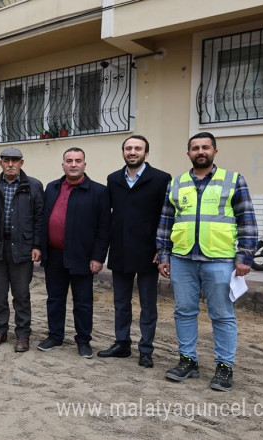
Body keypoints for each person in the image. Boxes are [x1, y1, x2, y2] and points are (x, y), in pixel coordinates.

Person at [157, 132, 258, 392]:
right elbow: (166, 222)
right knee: (183, 311)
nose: (200, 151)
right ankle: (188, 361)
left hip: (220, 260)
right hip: (182, 259)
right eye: (195, 148)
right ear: (188, 153)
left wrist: (245, 256)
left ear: (215, 150)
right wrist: (164, 254)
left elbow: (246, 219)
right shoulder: (177, 183)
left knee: (222, 315)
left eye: (205, 147)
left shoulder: (233, 180)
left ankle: (224, 367)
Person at [99, 135, 171, 368]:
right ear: (123, 153)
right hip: (120, 250)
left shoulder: (161, 179)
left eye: (137, 148)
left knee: (148, 304)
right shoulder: (113, 179)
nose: (132, 152)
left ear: (146, 153)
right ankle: (122, 344)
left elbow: (167, 217)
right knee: (121, 302)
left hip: (149, 252)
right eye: (128, 148)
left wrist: (163, 249)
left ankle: (146, 349)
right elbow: (110, 215)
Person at [38, 147, 110, 358]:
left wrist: (98, 257)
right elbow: (43, 219)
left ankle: (83, 340)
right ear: (63, 165)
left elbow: (104, 227)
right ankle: (55, 336)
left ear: (84, 165)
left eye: (78, 160)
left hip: (82, 257)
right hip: (54, 255)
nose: (73, 164)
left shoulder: (98, 191)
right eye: (69, 160)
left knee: (83, 302)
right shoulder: (52, 188)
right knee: (55, 299)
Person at [0, 147, 44, 352]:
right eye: (6, 160)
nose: (10, 164)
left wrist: (37, 245)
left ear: (21, 163)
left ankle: (23, 335)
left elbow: (40, 218)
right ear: (1, 163)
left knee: (21, 294)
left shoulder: (33, 186)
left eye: (15, 161)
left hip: (22, 248)